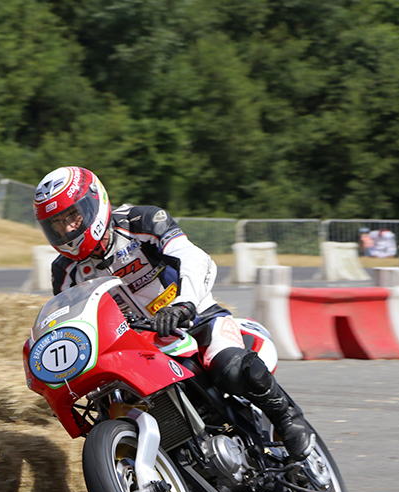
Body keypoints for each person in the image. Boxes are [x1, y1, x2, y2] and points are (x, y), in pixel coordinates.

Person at [33, 166, 315, 461]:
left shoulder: (140, 221)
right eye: (56, 224)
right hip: (138, 346)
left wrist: (184, 304)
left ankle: (288, 418)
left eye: (72, 216)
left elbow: (193, 257)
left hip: (195, 319)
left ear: (95, 202)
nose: (66, 230)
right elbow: (72, 321)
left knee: (229, 366)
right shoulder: (63, 272)